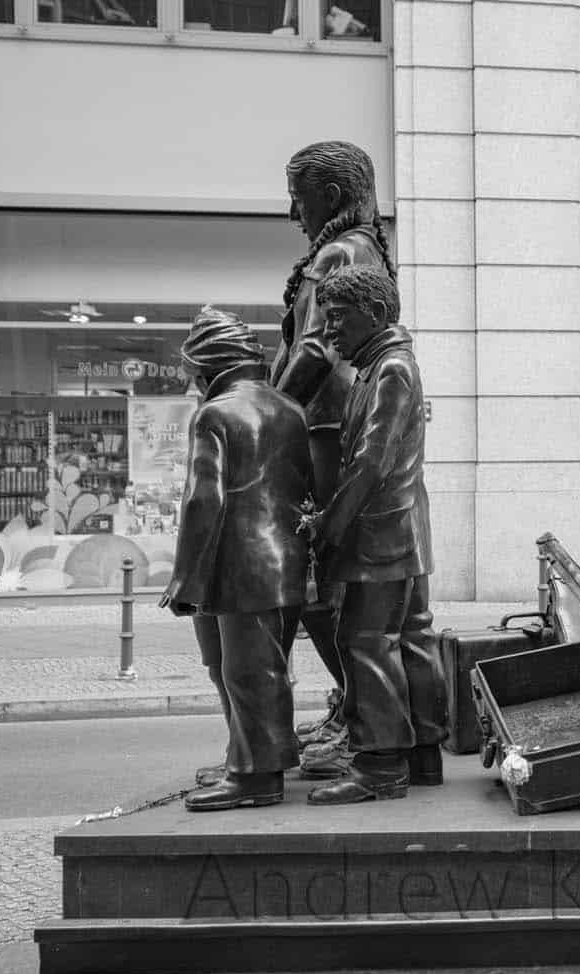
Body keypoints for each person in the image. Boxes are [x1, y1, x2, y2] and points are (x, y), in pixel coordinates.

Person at [302, 264, 445, 804]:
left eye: (338, 318)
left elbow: (370, 462)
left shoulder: (390, 370)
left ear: (376, 316)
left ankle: (381, 767)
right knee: (412, 638)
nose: (330, 331)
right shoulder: (381, 366)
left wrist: (328, 528)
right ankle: (423, 755)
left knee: (364, 641)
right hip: (401, 526)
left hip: (382, 531)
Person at [270, 141, 393, 765]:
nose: (293, 210)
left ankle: (357, 711)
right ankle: (352, 707)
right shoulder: (349, 248)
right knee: (324, 577)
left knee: (324, 576)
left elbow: (315, 350)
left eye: (301, 196)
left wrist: (264, 413)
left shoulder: (342, 252)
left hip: (324, 429)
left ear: (334, 198)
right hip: (324, 425)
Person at [161, 309, 313, 811]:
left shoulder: (215, 414)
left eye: (194, 374)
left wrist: (185, 579)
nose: (193, 385)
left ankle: (257, 778)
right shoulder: (291, 409)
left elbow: (204, 501)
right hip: (286, 559)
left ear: (208, 370)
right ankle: (248, 760)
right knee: (261, 668)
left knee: (248, 673)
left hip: (240, 564)